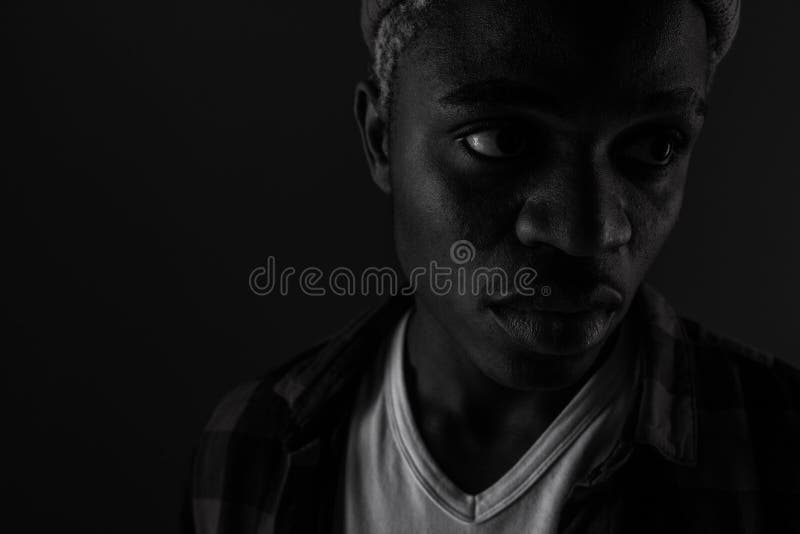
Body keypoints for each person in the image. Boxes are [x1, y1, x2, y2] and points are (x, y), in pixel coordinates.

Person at [185, 0, 800, 532]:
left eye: (654, 146)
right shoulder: (253, 446)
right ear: (380, 139)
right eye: (502, 141)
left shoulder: (777, 454)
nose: (587, 233)